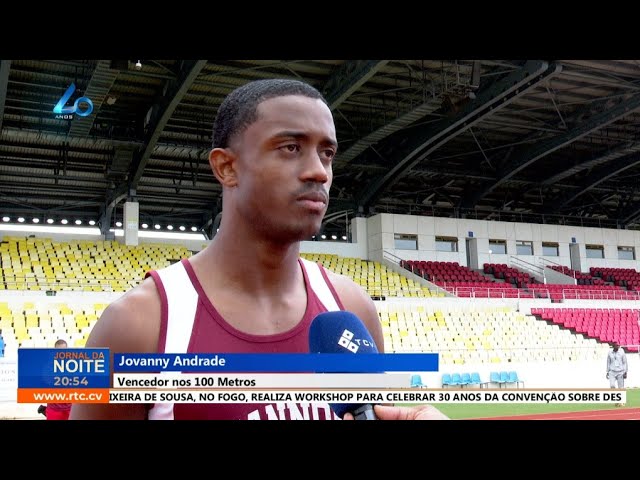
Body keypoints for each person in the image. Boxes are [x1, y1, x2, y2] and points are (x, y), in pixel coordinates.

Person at [70, 78, 448, 420]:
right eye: (290, 147)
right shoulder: (139, 325)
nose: (319, 171)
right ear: (227, 167)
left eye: (327, 153)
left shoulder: (351, 311)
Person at [40, 339, 72, 420]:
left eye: (64, 351)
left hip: (70, 409)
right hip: (54, 409)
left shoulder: (74, 366)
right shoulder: (48, 367)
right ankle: (44, 410)